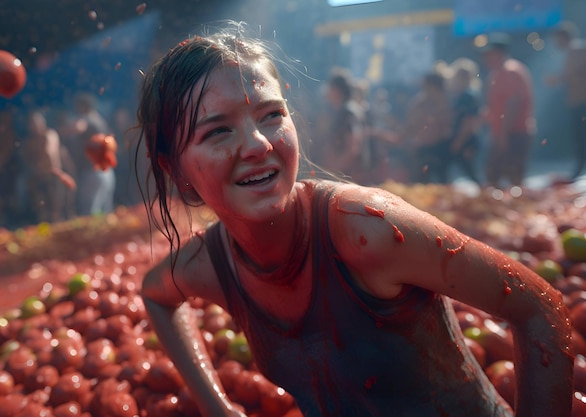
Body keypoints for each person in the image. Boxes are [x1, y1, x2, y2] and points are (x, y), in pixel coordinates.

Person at [137, 24, 573, 417]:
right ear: (179, 175)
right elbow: (156, 295)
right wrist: (217, 405)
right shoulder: (213, 264)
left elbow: (538, 307)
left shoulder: (366, 229)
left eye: (271, 115)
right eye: (217, 131)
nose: (257, 145)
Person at [481, 33, 536, 189]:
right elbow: (496, 105)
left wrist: (504, 134)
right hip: (502, 132)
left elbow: (513, 104)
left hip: (514, 133)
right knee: (494, 174)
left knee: (513, 176)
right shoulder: (497, 73)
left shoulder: (511, 71)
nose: (485, 59)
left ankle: (517, 211)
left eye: (489, 54)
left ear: (498, 53)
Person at [546, 21, 586, 181]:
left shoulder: (577, 49)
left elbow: (571, 73)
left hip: (582, 103)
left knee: (581, 138)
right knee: (579, 138)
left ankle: (579, 169)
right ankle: (579, 168)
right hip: (578, 102)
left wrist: (557, 79)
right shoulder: (574, 50)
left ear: (563, 37)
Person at [21, 110, 76, 223]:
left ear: (42, 122)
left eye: (36, 122)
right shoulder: (29, 142)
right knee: (42, 210)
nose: (34, 125)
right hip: (39, 178)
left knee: (57, 210)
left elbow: (51, 154)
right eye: (31, 123)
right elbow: (27, 159)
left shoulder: (50, 135)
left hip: (54, 176)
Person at [67, 93, 116, 216]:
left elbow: (78, 127)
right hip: (106, 172)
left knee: (89, 211)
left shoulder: (87, 119)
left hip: (93, 173)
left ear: (83, 107)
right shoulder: (100, 121)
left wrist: (63, 130)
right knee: (105, 211)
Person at [313, 68, 366, 180]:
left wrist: (334, 172)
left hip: (350, 177)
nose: (327, 91)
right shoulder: (340, 111)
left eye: (330, 87)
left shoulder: (348, 112)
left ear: (337, 90)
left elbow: (352, 148)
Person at [402, 71, 453, 183]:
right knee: (420, 182)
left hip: (440, 149)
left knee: (440, 183)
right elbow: (411, 124)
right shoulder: (419, 103)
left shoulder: (445, 102)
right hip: (421, 149)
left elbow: (446, 127)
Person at [447, 58, 483, 185]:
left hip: (466, 139)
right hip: (463, 138)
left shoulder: (468, 96)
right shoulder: (463, 94)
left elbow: (468, 121)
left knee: (470, 171)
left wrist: (459, 141)